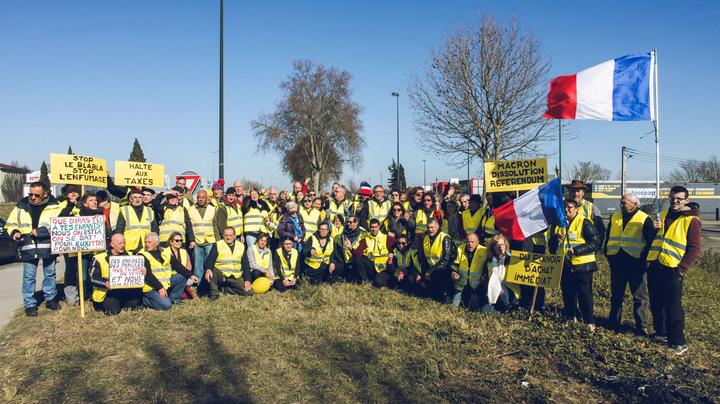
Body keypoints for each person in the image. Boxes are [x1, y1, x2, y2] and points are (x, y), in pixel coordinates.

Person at [646, 185, 702, 355]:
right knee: (656, 303)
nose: (675, 201)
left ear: (686, 199)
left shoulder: (691, 220)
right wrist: (653, 229)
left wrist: (681, 269)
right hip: (656, 264)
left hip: (673, 268)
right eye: (672, 197)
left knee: (673, 306)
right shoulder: (663, 215)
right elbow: (651, 239)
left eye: (679, 198)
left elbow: (694, 248)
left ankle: (678, 341)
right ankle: (661, 332)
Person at [5, 181, 62, 316]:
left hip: (47, 246)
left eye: (37, 195)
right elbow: (11, 223)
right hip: (28, 245)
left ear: (45, 193)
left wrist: (41, 232)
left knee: (50, 274)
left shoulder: (55, 206)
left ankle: (50, 299)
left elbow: (60, 225)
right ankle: (29, 304)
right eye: (31, 194)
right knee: (29, 277)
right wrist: (14, 232)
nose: (33, 197)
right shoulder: (21, 205)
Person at [604, 193, 655, 335]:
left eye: (624, 203)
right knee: (616, 295)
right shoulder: (615, 217)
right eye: (620, 202)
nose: (621, 205)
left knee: (639, 297)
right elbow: (608, 237)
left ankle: (641, 326)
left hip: (636, 264)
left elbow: (650, 242)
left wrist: (644, 261)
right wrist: (608, 254)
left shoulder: (644, 219)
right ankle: (613, 321)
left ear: (634, 205)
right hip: (617, 262)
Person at [549, 199, 602, 331]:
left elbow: (595, 242)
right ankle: (569, 316)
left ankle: (589, 321)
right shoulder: (560, 224)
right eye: (565, 208)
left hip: (582, 266)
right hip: (565, 265)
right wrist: (555, 240)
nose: (567, 210)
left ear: (577, 209)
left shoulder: (584, 222)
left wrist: (577, 250)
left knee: (585, 294)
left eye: (570, 208)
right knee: (568, 293)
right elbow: (551, 247)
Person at [59, 192, 103, 305]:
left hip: (96, 251)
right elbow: (62, 224)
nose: (94, 202)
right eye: (91, 200)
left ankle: (91, 295)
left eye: (95, 200)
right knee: (82, 276)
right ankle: (80, 296)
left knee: (93, 274)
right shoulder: (76, 214)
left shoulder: (100, 214)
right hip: (80, 252)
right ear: (84, 203)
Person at [90, 234, 145, 315]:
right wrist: (105, 283)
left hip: (125, 290)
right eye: (120, 243)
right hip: (107, 292)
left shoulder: (131, 256)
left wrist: (142, 271)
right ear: (112, 244)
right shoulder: (99, 258)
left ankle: (126, 303)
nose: (123, 245)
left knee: (135, 306)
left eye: (124, 243)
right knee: (113, 311)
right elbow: (92, 278)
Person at [138, 232, 187, 310]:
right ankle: (144, 301)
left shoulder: (165, 251)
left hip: (164, 283)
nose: (147, 244)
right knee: (166, 306)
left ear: (157, 243)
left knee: (182, 276)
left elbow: (176, 265)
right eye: (146, 242)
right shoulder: (142, 254)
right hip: (151, 288)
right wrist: (160, 288)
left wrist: (190, 275)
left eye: (149, 242)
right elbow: (148, 275)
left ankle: (174, 299)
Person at [204, 227, 253, 301]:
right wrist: (208, 270)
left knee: (249, 292)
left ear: (234, 236)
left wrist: (247, 280)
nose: (228, 237)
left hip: (235, 277)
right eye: (226, 235)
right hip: (221, 275)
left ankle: (227, 289)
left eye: (230, 235)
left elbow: (246, 266)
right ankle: (214, 293)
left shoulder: (241, 246)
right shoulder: (218, 245)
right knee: (211, 270)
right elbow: (210, 260)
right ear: (223, 236)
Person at [417, 218, 455, 302]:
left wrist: (430, 271)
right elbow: (424, 259)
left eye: (432, 227)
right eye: (428, 227)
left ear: (438, 226)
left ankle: (446, 297)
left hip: (443, 269)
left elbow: (445, 260)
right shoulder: (426, 238)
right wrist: (423, 275)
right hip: (432, 268)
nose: (430, 230)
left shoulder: (445, 238)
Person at [350, 219, 396, 287]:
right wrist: (350, 248)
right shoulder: (366, 238)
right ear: (369, 227)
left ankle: (384, 281)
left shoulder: (387, 238)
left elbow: (398, 245)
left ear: (379, 227)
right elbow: (357, 253)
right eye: (372, 227)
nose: (374, 229)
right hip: (372, 266)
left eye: (375, 227)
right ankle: (365, 281)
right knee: (358, 259)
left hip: (383, 268)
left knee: (378, 283)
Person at [480, 234, 518, 313]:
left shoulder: (511, 259)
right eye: (497, 245)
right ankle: (497, 308)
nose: (500, 247)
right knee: (484, 311)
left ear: (505, 245)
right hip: (492, 291)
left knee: (500, 287)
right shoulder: (489, 261)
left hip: (508, 291)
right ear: (493, 247)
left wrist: (498, 287)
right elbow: (485, 278)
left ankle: (507, 307)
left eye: (502, 244)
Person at [187, 190, 217, 289]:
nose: (200, 199)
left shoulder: (212, 209)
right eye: (199, 197)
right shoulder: (191, 209)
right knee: (198, 263)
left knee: (209, 262)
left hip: (209, 240)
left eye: (203, 197)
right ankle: (198, 282)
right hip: (197, 240)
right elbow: (189, 226)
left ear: (207, 198)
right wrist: (191, 239)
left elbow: (215, 225)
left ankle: (209, 281)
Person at [114, 188, 159, 253]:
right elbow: (119, 230)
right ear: (130, 199)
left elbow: (155, 230)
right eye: (135, 197)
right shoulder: (124, 210)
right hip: (129, 247)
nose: (137, 199)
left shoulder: (149, 211)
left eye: (140, 197)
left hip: (146, 247)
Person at [451, 233, 487, 310]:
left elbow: (487, 267)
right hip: (461, 285)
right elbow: (455, 264)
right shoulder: (460, 248)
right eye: (468, 242)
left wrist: (484, 276)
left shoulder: (484, 251)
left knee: (474, 309)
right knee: (454, 308)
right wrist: (454, 273)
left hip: (476, 286)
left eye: (472, 242)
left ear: (478, 242)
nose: (469, 244)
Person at [340, 215, 367, 282]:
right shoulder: (344, 232)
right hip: (346, 261)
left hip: (357, 260)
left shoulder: (363, 232)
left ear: (356, 223)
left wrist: (350, 247)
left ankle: (364, 279)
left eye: (350, 222)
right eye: (347, 222)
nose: (348, 223)